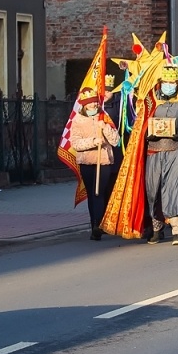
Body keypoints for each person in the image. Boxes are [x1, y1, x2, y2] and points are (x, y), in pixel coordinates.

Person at [141, 66, 178, 244]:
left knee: (174, 189)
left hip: (176, 150)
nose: (168, 85)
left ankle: (177, 230)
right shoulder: (150, 101)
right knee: (153, 190)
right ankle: (157, 228)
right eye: (165, 82)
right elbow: (140, 126)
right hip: (154, 151)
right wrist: (146, 135)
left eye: (172, 82)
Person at [69, 87, 121, 240]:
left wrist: (105, 128)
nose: (93, 106)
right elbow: (75, 143)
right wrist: (93, 142)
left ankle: (99, 224)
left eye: (94, 102)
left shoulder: (104, 117)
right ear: (84, 105)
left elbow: (115, 140)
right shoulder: (77, 120)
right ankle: (94, 224)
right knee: (92, 194)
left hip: (103, 161)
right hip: (87, 162)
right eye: (89, 103)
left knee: (99, 192)